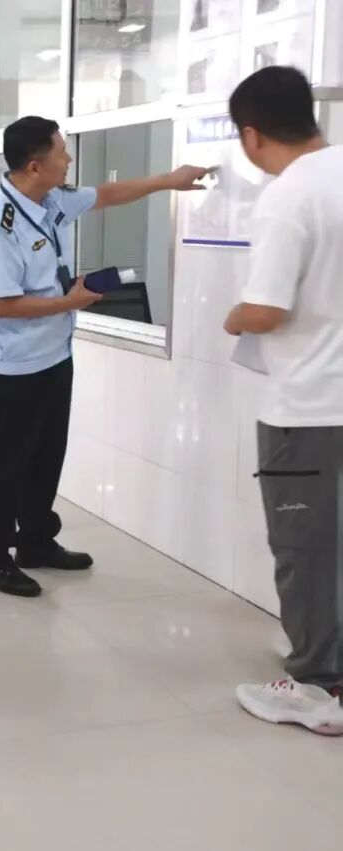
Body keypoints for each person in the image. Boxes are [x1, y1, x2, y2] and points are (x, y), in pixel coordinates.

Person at [0, 116, 209, 598]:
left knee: (45, 457)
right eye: (61, 152)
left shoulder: (50, 199)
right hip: (17, 365)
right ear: (34, 165)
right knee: (3, 464)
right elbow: (1, 304)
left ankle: (36, 542)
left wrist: (170, 180)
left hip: (55, 356)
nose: (69, 158)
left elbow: (106, 195)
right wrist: (69, 301)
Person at [224, 66, 343, 735]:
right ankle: (326, 651)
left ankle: (316, 686)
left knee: (302, 545)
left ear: (252, 134)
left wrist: (233, 315)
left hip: (308, 407)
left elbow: (267, 309)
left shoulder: (288, 196)